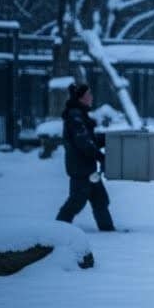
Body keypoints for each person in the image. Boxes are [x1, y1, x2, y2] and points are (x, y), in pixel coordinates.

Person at [55, 82, 116, 231]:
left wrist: (110, 139)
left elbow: (90, 139)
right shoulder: (75, 117)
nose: (91, 97)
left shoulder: (80, 115)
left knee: (100, 200)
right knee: (76, 202)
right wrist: (100, 156)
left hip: (88, 169)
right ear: (81, 98)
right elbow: (83, 143)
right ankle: (56, 229)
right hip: (80, 169)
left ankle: (108, 231)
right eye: (89, 94)